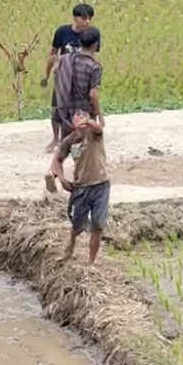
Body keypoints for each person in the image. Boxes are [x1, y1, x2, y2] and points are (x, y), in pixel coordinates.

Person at [51, 109, 110, 266]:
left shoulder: (94, 135)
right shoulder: (70, 141)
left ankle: (92, 261)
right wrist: (62, 179)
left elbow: (99, 128)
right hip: (81, 187)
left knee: (98, 225)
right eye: (77, 116)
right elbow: (57, 161)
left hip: (101, 185)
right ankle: (69, 248)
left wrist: (90, 122)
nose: (81, 119)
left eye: (84, 115)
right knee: (77, 225)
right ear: (72, 122)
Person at [41, 3, 99, 150]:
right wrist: (47, 74)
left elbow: (93, 55)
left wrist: (95, 77)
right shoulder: (62, 32)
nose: (87, 21)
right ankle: (56, 138)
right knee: (57, 106)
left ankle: (86, 135)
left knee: (85, 105)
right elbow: (53, 53)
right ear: (75, 18)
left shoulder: (92, 34)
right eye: (84, 18)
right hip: (63, 74)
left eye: (89, 18)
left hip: (81, 75)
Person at [52, 26, 102, 145]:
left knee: (67, 145)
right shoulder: (94, 66)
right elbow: (93, 94)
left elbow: (55, 70)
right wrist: (100, 115)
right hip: (83, 114)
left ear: (80, 42)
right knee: (88, 144)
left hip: (65, 109)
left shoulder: (65, 58)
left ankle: (60, 143)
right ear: (96, 45)